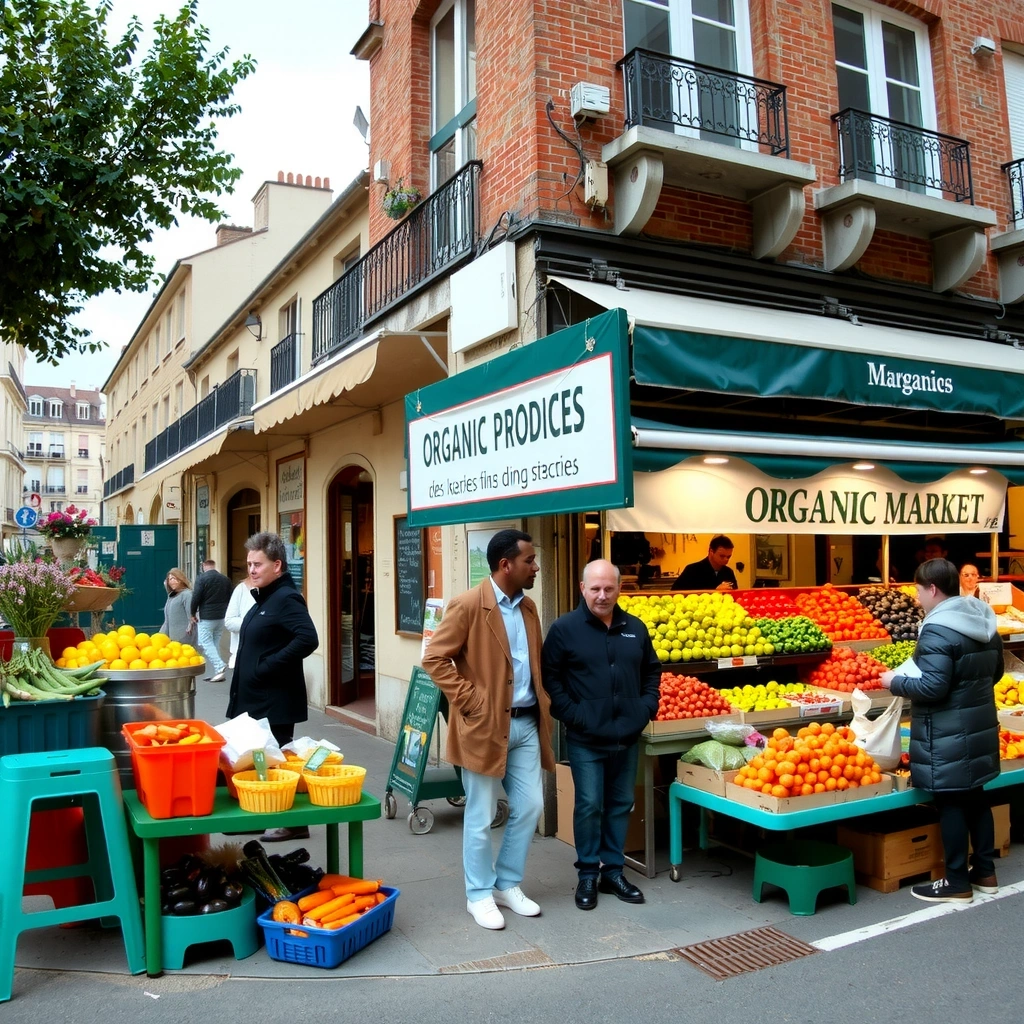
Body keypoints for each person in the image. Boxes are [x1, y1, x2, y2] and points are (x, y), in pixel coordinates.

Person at [422, 528, 554, 931]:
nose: (535, 567)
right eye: (529, 561)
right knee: (479, 815)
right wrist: (473, 701)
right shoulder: (465, 606)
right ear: (506, 564)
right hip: (484, 724)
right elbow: (435, 659)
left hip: (527, 723)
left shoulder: (529, 608)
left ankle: (506, 884)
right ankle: (478, 894)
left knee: (531, 805)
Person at [880, 558, 1003, 903]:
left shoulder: (937, 628)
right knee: (976, 797)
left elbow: (933, 687)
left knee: (949, 801)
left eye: (919, 591)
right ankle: (985, 872)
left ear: (932, 589)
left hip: (946, 730)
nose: (918, 598)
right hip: (978, 725)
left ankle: (955, 882)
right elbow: (995, 674)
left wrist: (895, 681)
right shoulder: (983, 619)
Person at [542, 559, 660, 911]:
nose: (602, 595)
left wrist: (645, 708)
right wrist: (575, 716)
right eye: (595, 588)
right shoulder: (565, 629)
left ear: (619, 589)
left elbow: (652, 671)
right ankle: (588, 874)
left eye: (609, 588)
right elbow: (551, 680)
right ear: (582, 589)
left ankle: (613, 871)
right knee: (590, 804)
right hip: (586, 738)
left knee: (621, 803)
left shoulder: (635, 628)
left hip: (627, 734)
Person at [228, 532, 319, 842]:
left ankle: (291, 822)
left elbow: (307, 638)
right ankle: (264, 813)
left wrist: (267, 666)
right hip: (257, 696)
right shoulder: (265, 596)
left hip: (274, 698)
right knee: (260, 758)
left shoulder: (285, 598)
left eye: (258, 564)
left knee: (274, 759)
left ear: (277, 565)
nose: (251, 570)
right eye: (249, 564)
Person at [190, 558, 233, 682]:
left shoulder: (202, 579)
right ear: (214, 566)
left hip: (207, 616)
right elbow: (230, 596)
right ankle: (218, 673)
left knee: (204, 642)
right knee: (215, 643)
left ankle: (220, 665)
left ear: (204, 566)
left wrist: (192, 613)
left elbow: (196, 597)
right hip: (221, 616)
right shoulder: (225, 579)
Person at [672, 535, 738, 591]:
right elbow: (675, 593)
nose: (726, 559)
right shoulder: (692, 570)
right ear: (711, 552)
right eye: (722, 556)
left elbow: (735, 595)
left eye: (729, 557)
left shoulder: (728, 572)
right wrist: (714, 591)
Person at [223, 578, 256, 671]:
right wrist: (256, 623)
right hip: (242, 659)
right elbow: (229, 622)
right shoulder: (242, 589)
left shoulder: (282, 593)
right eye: (250, 565)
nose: (253, 570)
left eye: (258, 565)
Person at [161, 569, 193, 644]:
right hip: (172, 639)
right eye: (169, 579)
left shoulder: (187, 595)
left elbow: (191, 617)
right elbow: (167, 620)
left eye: (173, 578)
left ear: (181, 579)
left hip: (184, 638)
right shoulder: (171, 596)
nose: (171, 581)